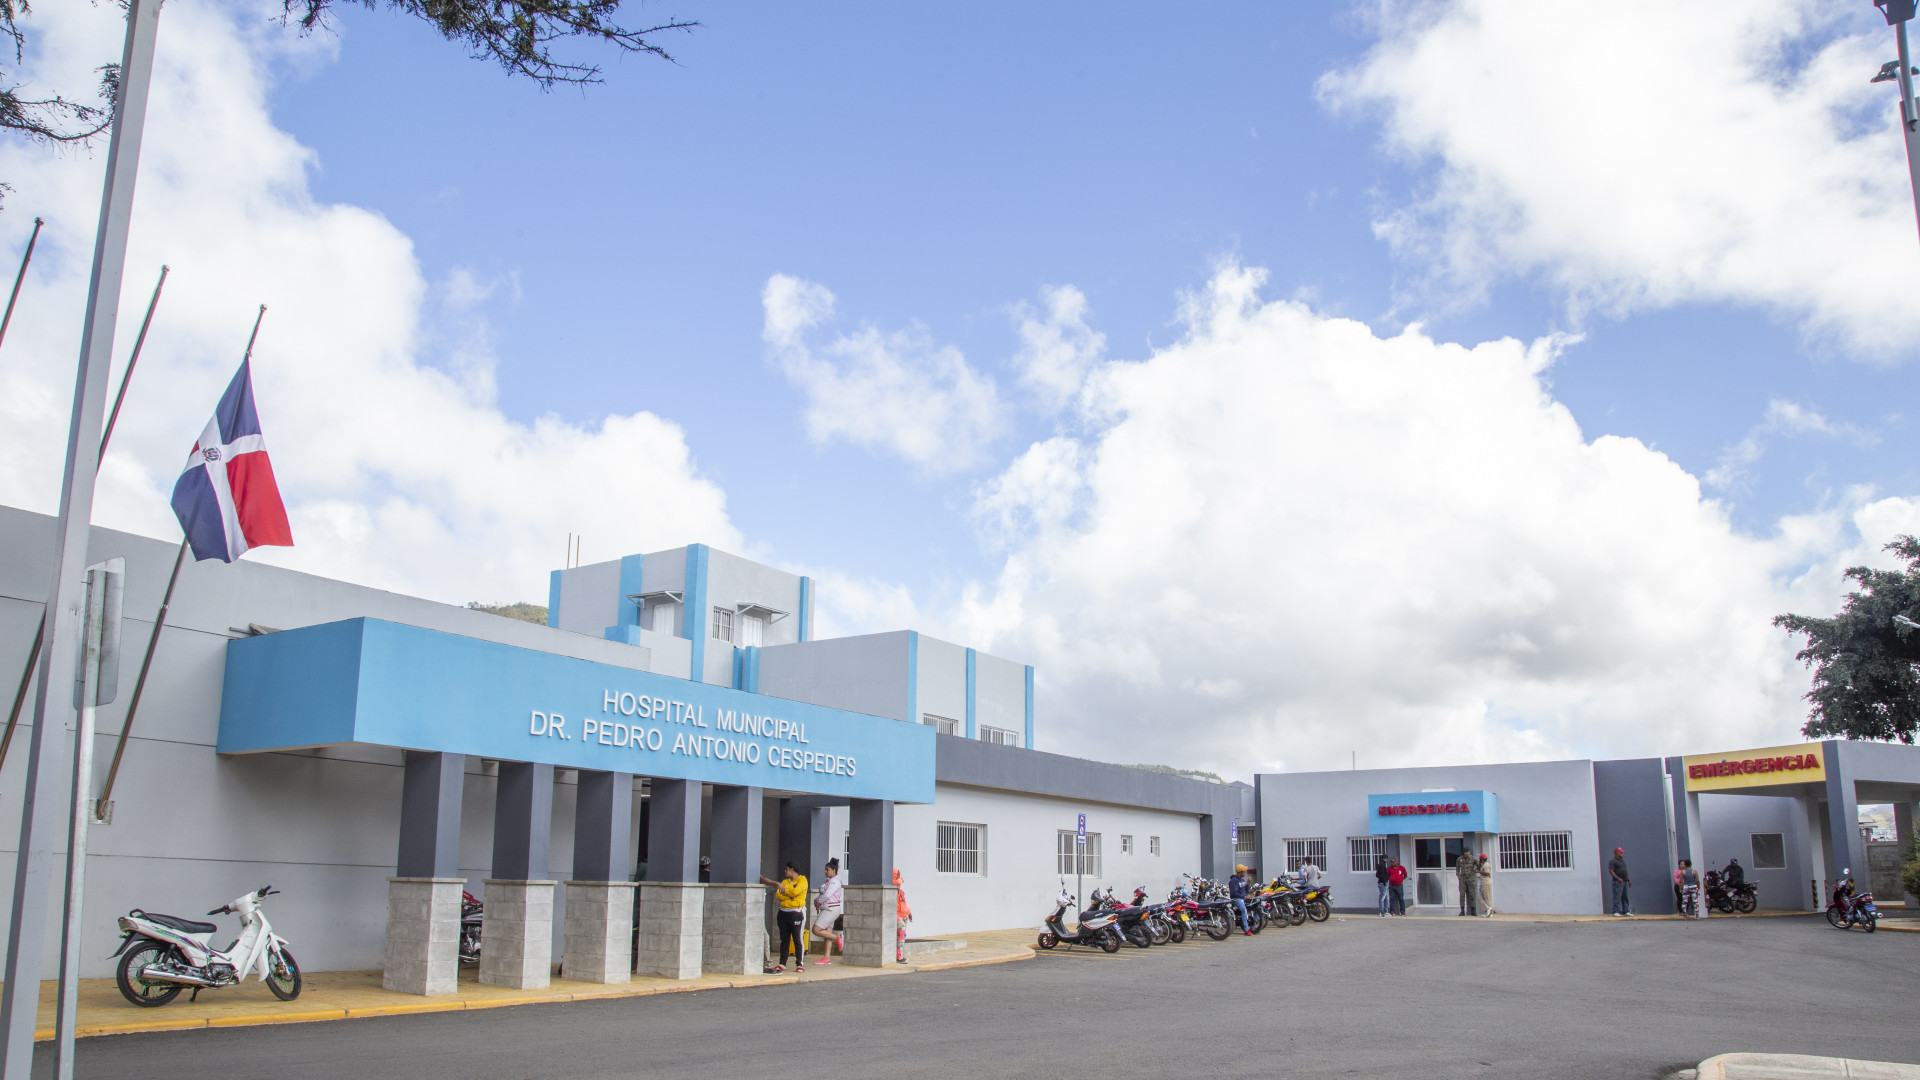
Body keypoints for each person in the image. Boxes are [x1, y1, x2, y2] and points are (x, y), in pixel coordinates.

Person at [758, 861, 808, 973]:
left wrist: (787, 893)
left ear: (792, 869)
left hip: (796, 912)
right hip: (783, 913)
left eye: (786, 869)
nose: (785, 871)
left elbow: (795, 891)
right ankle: (782, 963)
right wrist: (790, 896)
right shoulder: (785, 881)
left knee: (797, 938)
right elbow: (778, 894)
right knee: (784, 939)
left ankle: (799, 963)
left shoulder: (802, 880)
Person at [810, 857, 846, 963]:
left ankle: (838, 938)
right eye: (825, 870)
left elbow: (827, 895)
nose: (825, 872)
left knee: (816, 929)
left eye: (828, 870)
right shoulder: (830, 881)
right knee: (827, 932)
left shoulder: (834, 882)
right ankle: (827, 957)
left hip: (830, 909)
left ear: (834, 870)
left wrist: (818, 901)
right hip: (830, 908)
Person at [894, 867, 913, 964]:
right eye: (897, 875)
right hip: (897, 916)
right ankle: (899, 956)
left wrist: (909, 913)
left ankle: (898, 954)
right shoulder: (893, 886)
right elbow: (898, 882)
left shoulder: (900, 891)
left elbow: (904, 903)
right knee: (902, 933)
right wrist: (899, 880)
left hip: (904, 914)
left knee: (901, 936)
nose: (899, 877)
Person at [1609, 847, 1632, 916]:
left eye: (1622, 853)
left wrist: (1629, 880)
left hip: (1625, 881)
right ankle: (1616, 911)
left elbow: (1625, 872)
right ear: (1616, 853)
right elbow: (1611, 871)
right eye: (1621, 852)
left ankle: (1626, 911)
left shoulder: (1623, 862)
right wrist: (1618, 878)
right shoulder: (1613, 861)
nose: (1622, 854)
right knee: (1617, 897)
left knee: (1625, 897)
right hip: (1618, 882)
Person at [1455, 848, 1478, 916]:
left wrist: (1476, 870)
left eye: (1468, 852)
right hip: (1463, 878)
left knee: (1472, 894)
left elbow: (1478, 865)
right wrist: (1458, 875)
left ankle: (1473, 911)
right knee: (1462, 894)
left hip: (1471, 878)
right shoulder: (1460, 859)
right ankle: (1462, 911)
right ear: (1464, 853)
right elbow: (1457, 868)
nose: (1467, 854)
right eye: (1466, 852)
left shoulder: (1473, 859)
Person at [1230, 864, 1252, 934]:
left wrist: (1248, 885)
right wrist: (1244, 897)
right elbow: (1234, 893)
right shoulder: (1233, 881)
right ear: (1239, 872)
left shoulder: (1242, 880)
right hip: (1237, 899)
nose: (1245, 873)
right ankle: (1246, 929)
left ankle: (1253, 926)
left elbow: (1245, 891)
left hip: (1242, 898)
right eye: (1244, 871)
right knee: (1243, 910)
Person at [1476, 852, 1493, 917]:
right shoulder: (1483, 864)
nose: (1479, 858)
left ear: (1482, 858)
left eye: (1480, 857)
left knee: (1487, 898)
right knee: (1480, 897)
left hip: (1486, 882)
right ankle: (1488, 909)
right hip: (1483, 882)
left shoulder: (1486, 865)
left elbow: (1487, 873)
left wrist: (1478, 872)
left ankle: (1489, 911)